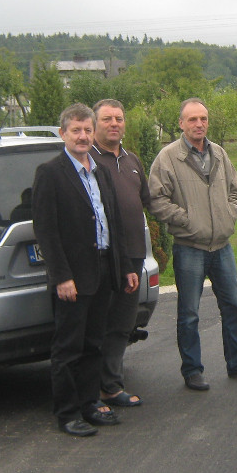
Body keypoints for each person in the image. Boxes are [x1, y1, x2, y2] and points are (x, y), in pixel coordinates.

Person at [148, 98, 237, 390]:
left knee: (234, 307)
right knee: (189, 314)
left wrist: (229, 215)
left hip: (222, 247)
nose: (199, 124)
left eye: (203, 118)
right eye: (192, 119)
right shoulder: (168, 158)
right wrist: (188, 221)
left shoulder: (219, 153)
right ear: (181, 123)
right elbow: (156, 199)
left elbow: (235, 191)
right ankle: (192, 370)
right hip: (189, 247)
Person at [32, 103, 139, 436]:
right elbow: (46, 231)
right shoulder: (50, 173)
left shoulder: (100, 171)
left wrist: (124, 267)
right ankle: (68, 414)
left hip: (103, 270)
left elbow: (113, 223)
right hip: (73, 278)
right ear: (63, 133)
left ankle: (90, 404)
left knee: (94, 343)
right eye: (75, 130)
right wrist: (61, 276)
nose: (82, 136)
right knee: (69, 348)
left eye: (87, 130)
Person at [91, 99, 150, 409]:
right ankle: (92, 390)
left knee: (121, 324)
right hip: (103, 257)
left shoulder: (132, 160)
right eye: (107, 119)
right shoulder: (87, 161)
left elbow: (146, 200)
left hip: (134, 256)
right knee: (97, 324)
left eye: (118, 118)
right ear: (94, 124)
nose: (114, 124)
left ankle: (111, 386)